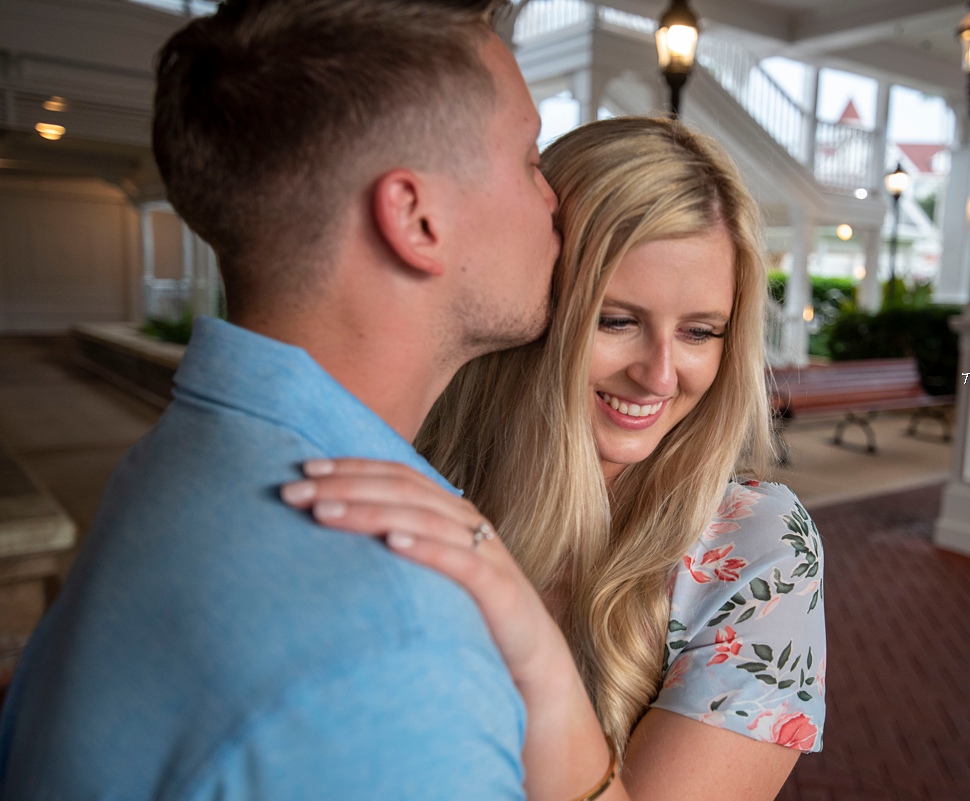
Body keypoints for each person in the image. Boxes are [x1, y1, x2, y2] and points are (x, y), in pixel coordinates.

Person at [0, 1, 590, 798]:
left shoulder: (176, 459)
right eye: (528, 157)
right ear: (417, 219)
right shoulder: (396, 648)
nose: (553, 197)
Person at [282, 117, 828, 799]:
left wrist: (532, 645)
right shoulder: (423, 476)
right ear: (537, 307)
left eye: (699, 331)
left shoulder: (758, 543)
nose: (660, 375)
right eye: (617, 320)